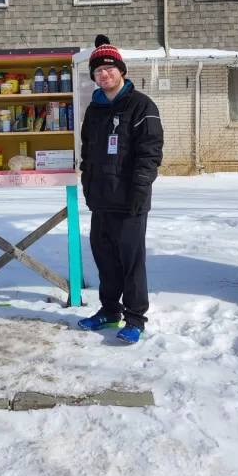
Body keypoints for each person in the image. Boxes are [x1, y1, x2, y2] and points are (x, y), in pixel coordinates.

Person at [78, 34, 164, 344]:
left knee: (131, 261)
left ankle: (135, 318)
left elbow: (150, 151)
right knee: (105, 259)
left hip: (130, 200)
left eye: (110, 69)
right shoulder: (94, 110)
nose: (105, 74)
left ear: (121, 70)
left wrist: (140, 188)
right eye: (98, 71)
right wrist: (88, 185)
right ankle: (109, 310)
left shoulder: (142, 105)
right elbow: (88, 153)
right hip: (101, 200)